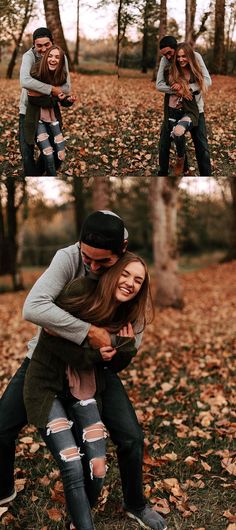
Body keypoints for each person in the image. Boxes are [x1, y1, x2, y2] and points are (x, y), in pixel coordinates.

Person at [0, 210, 167, 530]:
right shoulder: (68, 258)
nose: (90, 265)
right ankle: (3, 491)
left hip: (96, 371)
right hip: (46, 363)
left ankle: (136, 504)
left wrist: (116, 352)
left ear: (121, 252)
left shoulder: (130, 278)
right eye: (85, 257)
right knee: (1, 427)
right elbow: (34, 307)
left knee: (131, 437)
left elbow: (130, 346)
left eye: (100, 262)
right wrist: (88, 332)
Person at [24, 252, 152, 529]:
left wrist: (123, 350)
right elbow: (48, 330)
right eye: (126, 274)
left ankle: (88, 510)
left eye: (138, 280)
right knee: (71, 462)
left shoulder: (129, 313)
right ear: (112, 272)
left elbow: (114, 366)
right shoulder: (80, 291)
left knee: (97, 466)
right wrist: (92, 352)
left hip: (85, 387)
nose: (131, 283)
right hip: (47, 384)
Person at [156, 35, 212, 176]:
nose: (168, 57)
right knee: (168, 141)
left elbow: (207, 81)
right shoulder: (166, 60)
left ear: (177, 48)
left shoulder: (195, 56)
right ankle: (176, 169)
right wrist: (178, 90)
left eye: (169, 53)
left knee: (202, 146)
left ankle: (206, 175)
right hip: (174, 109)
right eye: (164, 54)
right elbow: (159, 85)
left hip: (195, 108)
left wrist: (187, 88)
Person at [19, 27, 71, 176]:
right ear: (34, 45)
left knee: (55, 150)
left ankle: (41, 174)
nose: (43, 49)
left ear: (52, 43)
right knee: (26, 151)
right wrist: (52, 89)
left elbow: (66, 87)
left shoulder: (60, 56)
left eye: (46, 45)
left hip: (49, 110)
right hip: (28, 109)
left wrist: (41, 90)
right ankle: (32, 176)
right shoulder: (29, 56)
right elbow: (24, 81)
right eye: (39, 45)